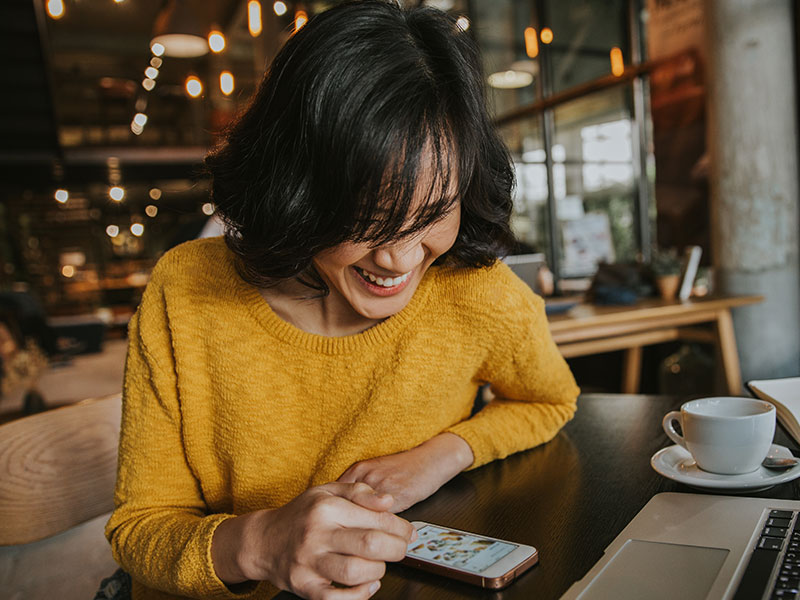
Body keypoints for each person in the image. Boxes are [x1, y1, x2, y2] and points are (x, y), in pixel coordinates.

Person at [104, 2, 579, 600]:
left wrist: (441, 455)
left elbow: (549, 400)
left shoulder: (476, 292)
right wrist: (260, 544)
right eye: (370, 220)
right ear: (296, 191)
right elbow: (139, 527)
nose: (402, 261)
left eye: (434, 215)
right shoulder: (187, 291)